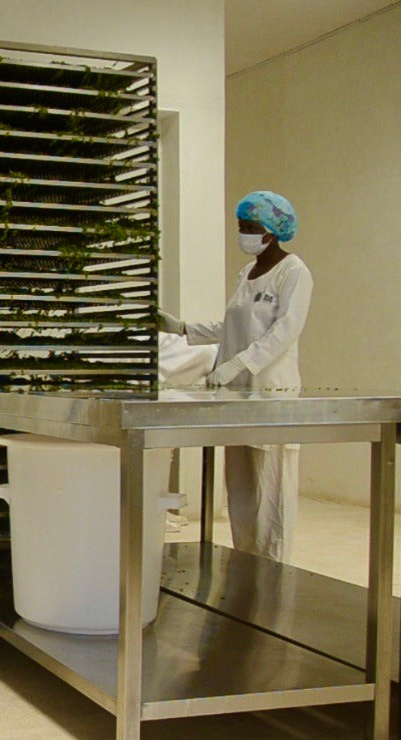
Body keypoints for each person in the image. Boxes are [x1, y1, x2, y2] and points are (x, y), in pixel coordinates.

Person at [158, 190, 312, 562]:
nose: (244, 234)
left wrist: (238, 364)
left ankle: (274, 568)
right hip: (237, 395)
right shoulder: (247, 273)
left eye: (252, 227)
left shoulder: (294, 272)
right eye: (242, 226)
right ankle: (247, 563)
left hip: (272, 393)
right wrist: (183, 328)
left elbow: (284, 331)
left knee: (271, 493)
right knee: (241, 491)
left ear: (273, 230)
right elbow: (230, 326)